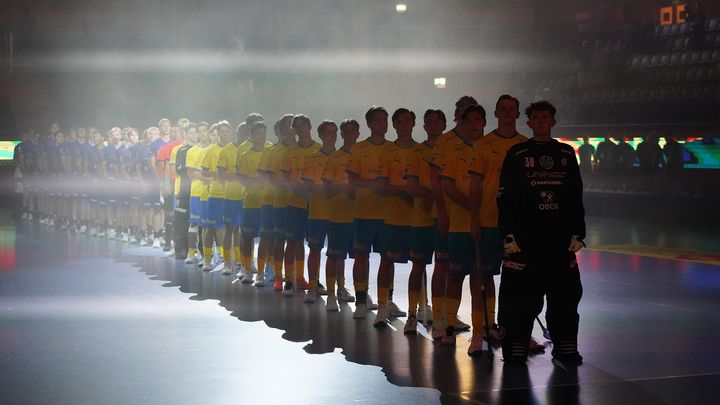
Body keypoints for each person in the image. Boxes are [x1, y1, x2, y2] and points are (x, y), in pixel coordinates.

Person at [497, 101, 586, 367]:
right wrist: (508, 235)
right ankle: (515, 349)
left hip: (559, 243)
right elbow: (505, 198)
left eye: (545, 117)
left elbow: (575, 196)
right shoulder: (516, 153)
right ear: (529, 123)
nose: (540, 121)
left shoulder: (567, 153)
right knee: (518, 302)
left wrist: (578, 234)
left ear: (553, 122)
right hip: (525, 242)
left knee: (565, 299)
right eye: (535, 117)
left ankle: (566, 349)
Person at [467, 95, 528, 355]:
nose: (506, 112)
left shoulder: (526, 144)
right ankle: (479, 332)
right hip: (489, 221)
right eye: (501, 108)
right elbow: (475, 186)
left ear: (517, 114)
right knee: (483, 277)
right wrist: (474, 219)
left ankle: (518, 333)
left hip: (520, 226)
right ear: (495, 112)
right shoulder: (483, 144)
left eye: (510, 109)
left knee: (522, 282)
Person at [437, 104, 487, 345]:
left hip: (487, 225)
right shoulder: (452, 151)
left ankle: (479, 332)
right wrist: (472, 206)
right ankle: (448, 327)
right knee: (455, 276)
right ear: (463, 124)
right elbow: (447, 186)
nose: (475, 124)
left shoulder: (490, 149)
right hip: (459, 225)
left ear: (484, 123)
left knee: (481, 277)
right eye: (470, 121)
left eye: (479, 120)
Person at [403, 109, 446, 333]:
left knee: (441, 267)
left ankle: (439, 318)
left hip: (444, 219)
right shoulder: (416, 151)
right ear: (424, 126)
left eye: (437, 121)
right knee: (418, 266)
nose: (433, 125)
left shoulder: (449, 149)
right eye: (428, 121)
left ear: (444, 124)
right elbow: (410, 186)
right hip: (420, 218)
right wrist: (430, 196)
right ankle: (412, 315)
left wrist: (437, 199)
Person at [347, 106, 392, 319]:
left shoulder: (393, 149)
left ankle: (385, 303)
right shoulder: (358, 149)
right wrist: (374, 184)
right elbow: (352, 180)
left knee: (388, 258)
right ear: (370, 124)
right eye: (378, 120)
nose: (383, 124)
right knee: (361, 256)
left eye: (385, 120)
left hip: (388, 215)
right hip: (364, 212)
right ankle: (361, 300)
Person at [321, 119, 360, 311]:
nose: (350, 134)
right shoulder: (334, 158)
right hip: (338, 216)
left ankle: (357, 293)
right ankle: (330, 294)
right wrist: (345, 188)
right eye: (347, 131)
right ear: (342, 135)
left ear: (358, 134)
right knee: (335, 256)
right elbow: (326, 190)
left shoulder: (363, 155)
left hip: (361, 216)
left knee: (361, 257)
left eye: (354, 131)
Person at [302, 120, 337, 302]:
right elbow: (306, 187)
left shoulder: (342, 157)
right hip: (317, 212)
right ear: (321, 135)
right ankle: (313, 287)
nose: (332, 136)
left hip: (339, 214)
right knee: (315, 250)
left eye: (334, 132)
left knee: (336, 252)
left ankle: (338, 288)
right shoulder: (313, 159)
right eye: (328, 133)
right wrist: (327, 189)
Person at [237, 121, 271, 285]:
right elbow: (243, 180)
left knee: (266, 236)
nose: (261, 136)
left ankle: (262, 272)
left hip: (268, 202)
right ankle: (247, 270)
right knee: (247, 235)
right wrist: (258, 181)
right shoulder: (245, 156)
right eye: (257, 133)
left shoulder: (271, 152)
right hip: (250, 201)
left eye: (263, 133)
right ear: (251, 136)